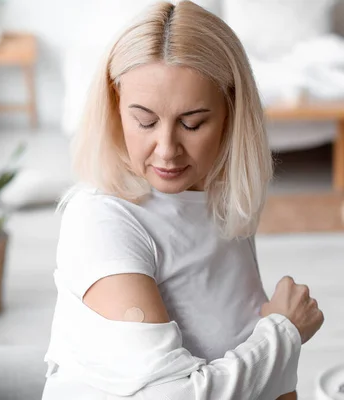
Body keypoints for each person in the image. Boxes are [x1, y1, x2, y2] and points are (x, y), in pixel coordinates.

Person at [41, 1, 325, 399]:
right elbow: (173, 394)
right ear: (114, 104)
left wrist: (273, 335)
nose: (166, 150)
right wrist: (284, 331)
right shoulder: (102, 223)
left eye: (192, 123)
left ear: (231, 110)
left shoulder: (217, 195)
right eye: (145, 121)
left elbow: (245, 342)